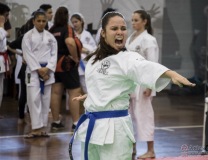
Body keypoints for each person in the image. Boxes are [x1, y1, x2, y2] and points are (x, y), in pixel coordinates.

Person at [69, 11, 195, 160]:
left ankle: (150, 149)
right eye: (114, 28)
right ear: (103, 33)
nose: (120, 32)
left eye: (123, 28)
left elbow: (145, 67)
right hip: (92, 128)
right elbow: (103, 84)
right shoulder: (94, 59)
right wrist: (92, 96)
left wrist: (171, 74)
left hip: (115, 130)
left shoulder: (128, 58)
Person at [125, 9, 159, 159]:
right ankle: (131, 148)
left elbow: (153, 64)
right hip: (129, 82)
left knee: (144, 116)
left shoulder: (149, 40)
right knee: (129, 117)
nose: (133, 23)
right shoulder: (130, 38)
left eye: (136, 20)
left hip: (143, 83)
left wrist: (150, 85)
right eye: (132, 20)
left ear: (145, 21)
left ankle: (150, 150)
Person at [22, 10, 57, 137]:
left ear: (46, 22)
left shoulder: (50, 37)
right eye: (39, 21)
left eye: (44, 21)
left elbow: (54, 54)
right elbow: (27, 54)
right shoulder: (28, 36)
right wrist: (39, 69)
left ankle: (42, 128)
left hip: (47, 70)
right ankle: (35, 128)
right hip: (33, 71)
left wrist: (47, 68)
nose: (41, 23)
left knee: (45, 99)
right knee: (33, 99)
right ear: (33, 21)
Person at [49, 6, 82, 131]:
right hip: (66, 64)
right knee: (74, 92)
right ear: (67, 16)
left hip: (54, 64)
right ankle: (75, 123)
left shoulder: (51, 29)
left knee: (56, 92)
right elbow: (70, 42)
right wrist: (74, 57)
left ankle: (56, 121)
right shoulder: (67, 29)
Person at [70, 13, 97, 94]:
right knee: (73, 90)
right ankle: (70, 107)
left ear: (81, 21)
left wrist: (85, 50)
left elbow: (94, 49)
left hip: (85, 65)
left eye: (76, 22)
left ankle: (90, 105)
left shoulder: (87, 35)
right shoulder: (71, 34)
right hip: (74, 64)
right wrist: (79, 49)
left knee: (87, 88)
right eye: (73, 22)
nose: (74, 24)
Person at [0, 2, 11, 119]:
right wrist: (1, 24)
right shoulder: (1, 27)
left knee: (0, 88)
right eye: (6, 15)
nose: (7, 18)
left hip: (2, 58)